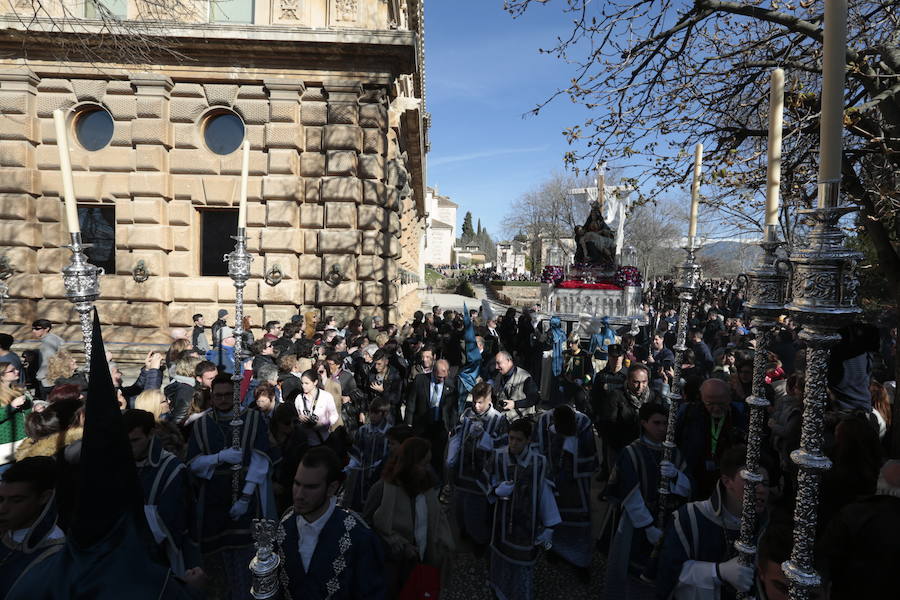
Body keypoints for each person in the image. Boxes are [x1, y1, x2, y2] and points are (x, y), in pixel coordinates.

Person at [186, 371, 272, 600]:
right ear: (211, 397)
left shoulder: (253, 419)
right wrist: (218, 457)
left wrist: (245, 497)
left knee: (247, 563)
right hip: (213, 505)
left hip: (248, 503)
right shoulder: (201, 424)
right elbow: (193, 464)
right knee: (217, 568)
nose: (223, 400)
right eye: (218, 395)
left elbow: (261, 459)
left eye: (228, 395)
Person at [656, 445, 769, 600]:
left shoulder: (767, 529)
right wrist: (717, 572)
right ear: (727, 481)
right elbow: (667, 572)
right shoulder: (689, 518)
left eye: (766, 483)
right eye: (752, 480)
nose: (761, 489)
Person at [604, 402, 690, 599]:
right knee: (632, 570)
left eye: (665, 424)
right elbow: (629, 493)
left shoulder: (674, 452)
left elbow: (688, 487)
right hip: (637, 522)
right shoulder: (631, 452)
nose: (661, 428)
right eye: (656, 423)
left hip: (668, 520)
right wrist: (647, 526)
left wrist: (677, 476)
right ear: (644, 423)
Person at [278, 445, 386, 599]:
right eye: (297, 484)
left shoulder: (358, 536)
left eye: (310, 487)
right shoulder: (284, 527)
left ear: (331, 488)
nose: (299, 495)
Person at [487, 418, 561, 600]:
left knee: (522, 565)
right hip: (501, 524)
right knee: (501, 561)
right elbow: (487, 482)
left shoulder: (539, 463)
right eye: (511, 438)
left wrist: (550, 525)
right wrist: (496, 490)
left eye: (519, 439)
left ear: (528, 440)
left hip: (527, 526)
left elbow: (545, 494)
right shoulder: (498, 457)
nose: (513, 443)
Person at [371, 437, 454, 596]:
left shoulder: (427, 489)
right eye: (423, 464)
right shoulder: (383, 488)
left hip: (421, 564)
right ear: (409, 463)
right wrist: (397, 542)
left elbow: (436, 520)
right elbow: (369, 526)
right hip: (392, 569)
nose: (427, 468)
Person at [124, 409, 191, 576]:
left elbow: (170, 519)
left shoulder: (172, 468)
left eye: (135, 440)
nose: (129, 447)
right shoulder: (118, 463)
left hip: (159, 555)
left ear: (151, 434)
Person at [534, 403, 598, 580]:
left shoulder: (583, 423)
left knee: (578, 523)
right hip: (551, 480)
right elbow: (537, 449)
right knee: (552, 517)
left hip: (575, 483)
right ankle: (554, 549)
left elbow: (590, 455)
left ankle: (581, 560)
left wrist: (571, 448)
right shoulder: (544, 421)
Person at [447, 381, 509, 553]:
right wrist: (450, 458)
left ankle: (480, 540)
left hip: (482, 474)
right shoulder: (467, 414)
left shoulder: (498, 419)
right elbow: (457, 436)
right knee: (459, 506)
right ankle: (464, 531)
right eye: (474, 401)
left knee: (477, 510)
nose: (476, 405)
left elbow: (503, 446)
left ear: (489, 400)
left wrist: (484, 437)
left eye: (480, 402)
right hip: (462, 470)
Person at [675, 378, 747, 499]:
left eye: (721, 403)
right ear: (702, 398)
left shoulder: (739, 415)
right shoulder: (688, 413)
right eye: (710, 404)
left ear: (729, 398)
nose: (717, 408)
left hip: (727, 477)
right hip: (694, 475)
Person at [0, 456, 65, 592]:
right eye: (2, 499)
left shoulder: (53, 555)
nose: (3, 509)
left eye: (16, 500)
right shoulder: (7, 529)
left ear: (43, 497)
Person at [405, 359, 455, 480]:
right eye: (439, 377)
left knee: (437, 457)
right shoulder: (420, 380)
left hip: (440, 427)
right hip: (422, 426)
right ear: (433, 372)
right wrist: (409, 424)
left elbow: (453, 409)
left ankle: (435, 485)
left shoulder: (452, 385)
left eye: (444, 377)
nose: (442, 379)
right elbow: (411, 402)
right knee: (419, 456)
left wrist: (451, 427)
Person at [596, 364, 661, 454]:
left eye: (644, 382)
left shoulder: (654, 397)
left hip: (648, 449)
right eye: (636, 382)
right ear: (628, 380)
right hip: (622, 449)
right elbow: (608, 424)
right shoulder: (616, 396)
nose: (640, 386)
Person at [343, 398, 392, 511]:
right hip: (363, 473)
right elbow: (356, 451)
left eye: (376, 413)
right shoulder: (363, 430)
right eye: (371, 412)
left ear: (384, 414)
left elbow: (389, 455)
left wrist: (381, 465)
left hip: (381, 476)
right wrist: (351, 465)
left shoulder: (389, 432)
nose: (372, 415)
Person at [292, 368, 339, 449]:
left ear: (315, 382)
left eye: (307, 383)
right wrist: (299, 418)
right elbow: (294, 418)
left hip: (323, 440)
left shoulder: (326, 396)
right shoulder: (299, 398)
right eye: (302, 383)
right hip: (305, 442)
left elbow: (334, 416)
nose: (303, 386)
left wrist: (322, 424)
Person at [492, 351, 540, 422]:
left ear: (508, 361)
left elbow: (534, 399)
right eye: (495, 363)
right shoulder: (498, 377)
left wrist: (514, 404)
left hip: (520, 420)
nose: (496, 367)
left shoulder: (524, 377)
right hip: (500, 416)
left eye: (499, 363)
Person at [0, 361, 31, 465]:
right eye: (11, 371)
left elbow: (26, 412)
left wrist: (35, 407)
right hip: (6, 443)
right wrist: (11, 406)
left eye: (15, 369)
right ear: (2, 376)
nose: (17, 371)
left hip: (24, 440)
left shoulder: (17, 389)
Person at [31, 319, 63, 395]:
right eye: (33, 329)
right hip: (56, 378)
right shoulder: (55, 338)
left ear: (47, 329)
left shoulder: (48, 342)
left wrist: (40, 376)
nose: (34, 331)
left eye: (37, 329)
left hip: (48, 380)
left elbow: (48, 361)